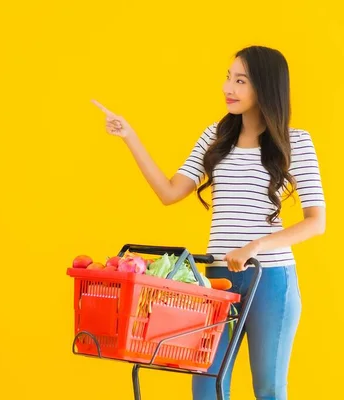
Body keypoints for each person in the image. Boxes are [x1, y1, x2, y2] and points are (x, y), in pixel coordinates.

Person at [92, 45, 326, 400]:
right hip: (216, 281)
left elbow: (316, 222)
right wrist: (130, 137)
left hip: (271, 281)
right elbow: (170, 192)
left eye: (240, 80)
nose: (228, 88)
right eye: (228, 78)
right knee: (205, 383)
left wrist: (255, 246)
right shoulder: (214, 137)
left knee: (268, 388)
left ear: (264, 86)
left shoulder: (296, 141)